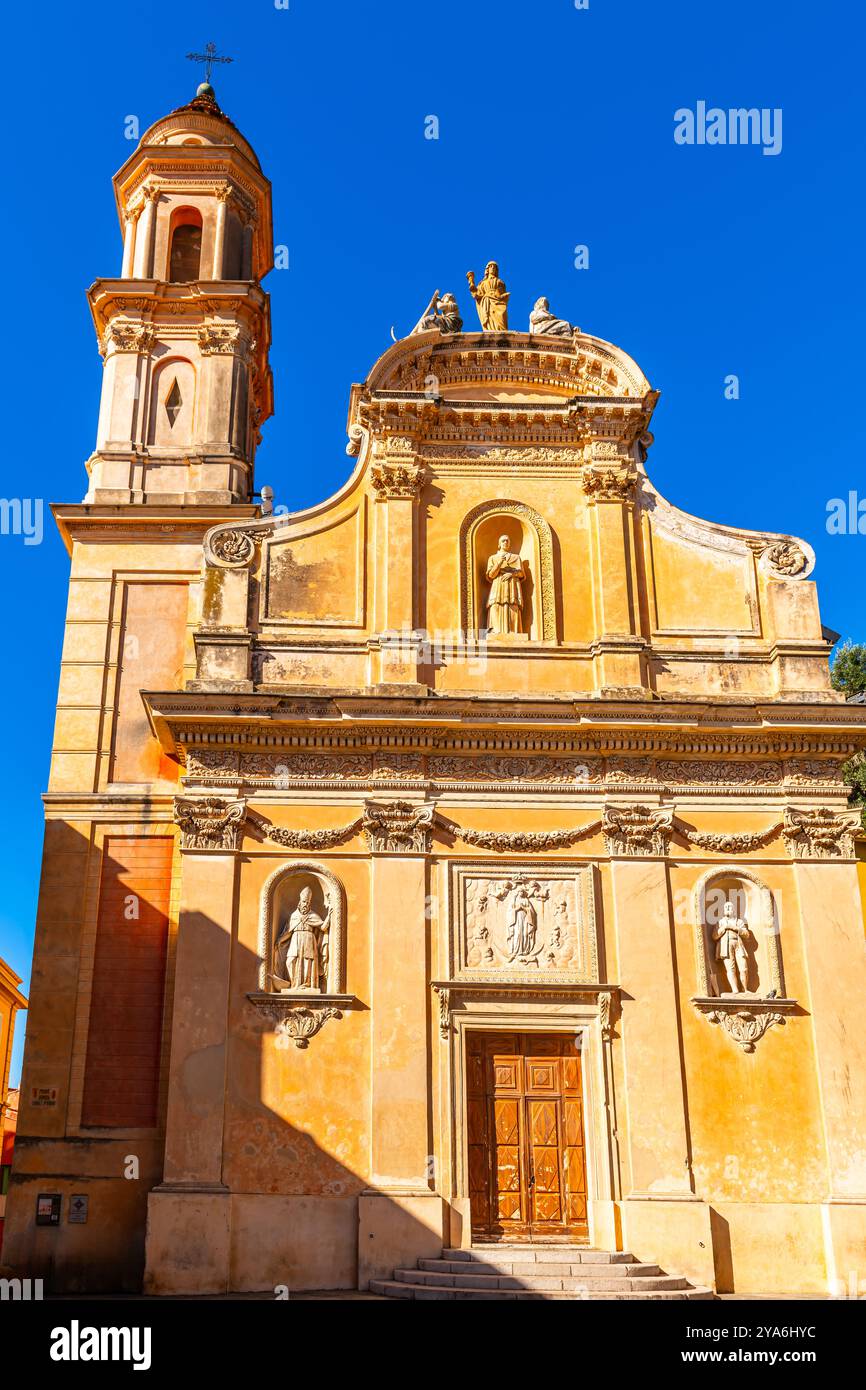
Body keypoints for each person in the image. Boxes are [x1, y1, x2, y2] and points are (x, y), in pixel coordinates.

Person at [466, 261, 509, 330]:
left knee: (501, 317)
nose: (492, 268)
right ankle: (490, 329)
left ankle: (501, 330)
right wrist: (472, 284)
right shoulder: (483, 283)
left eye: (494, 267)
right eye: (491, 267)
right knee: (489, 318)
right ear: (487, 269)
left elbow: (502, 294)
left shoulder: (500, 282)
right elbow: (478, 294)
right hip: (487, 302)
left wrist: (504, 296)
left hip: (498, 302)